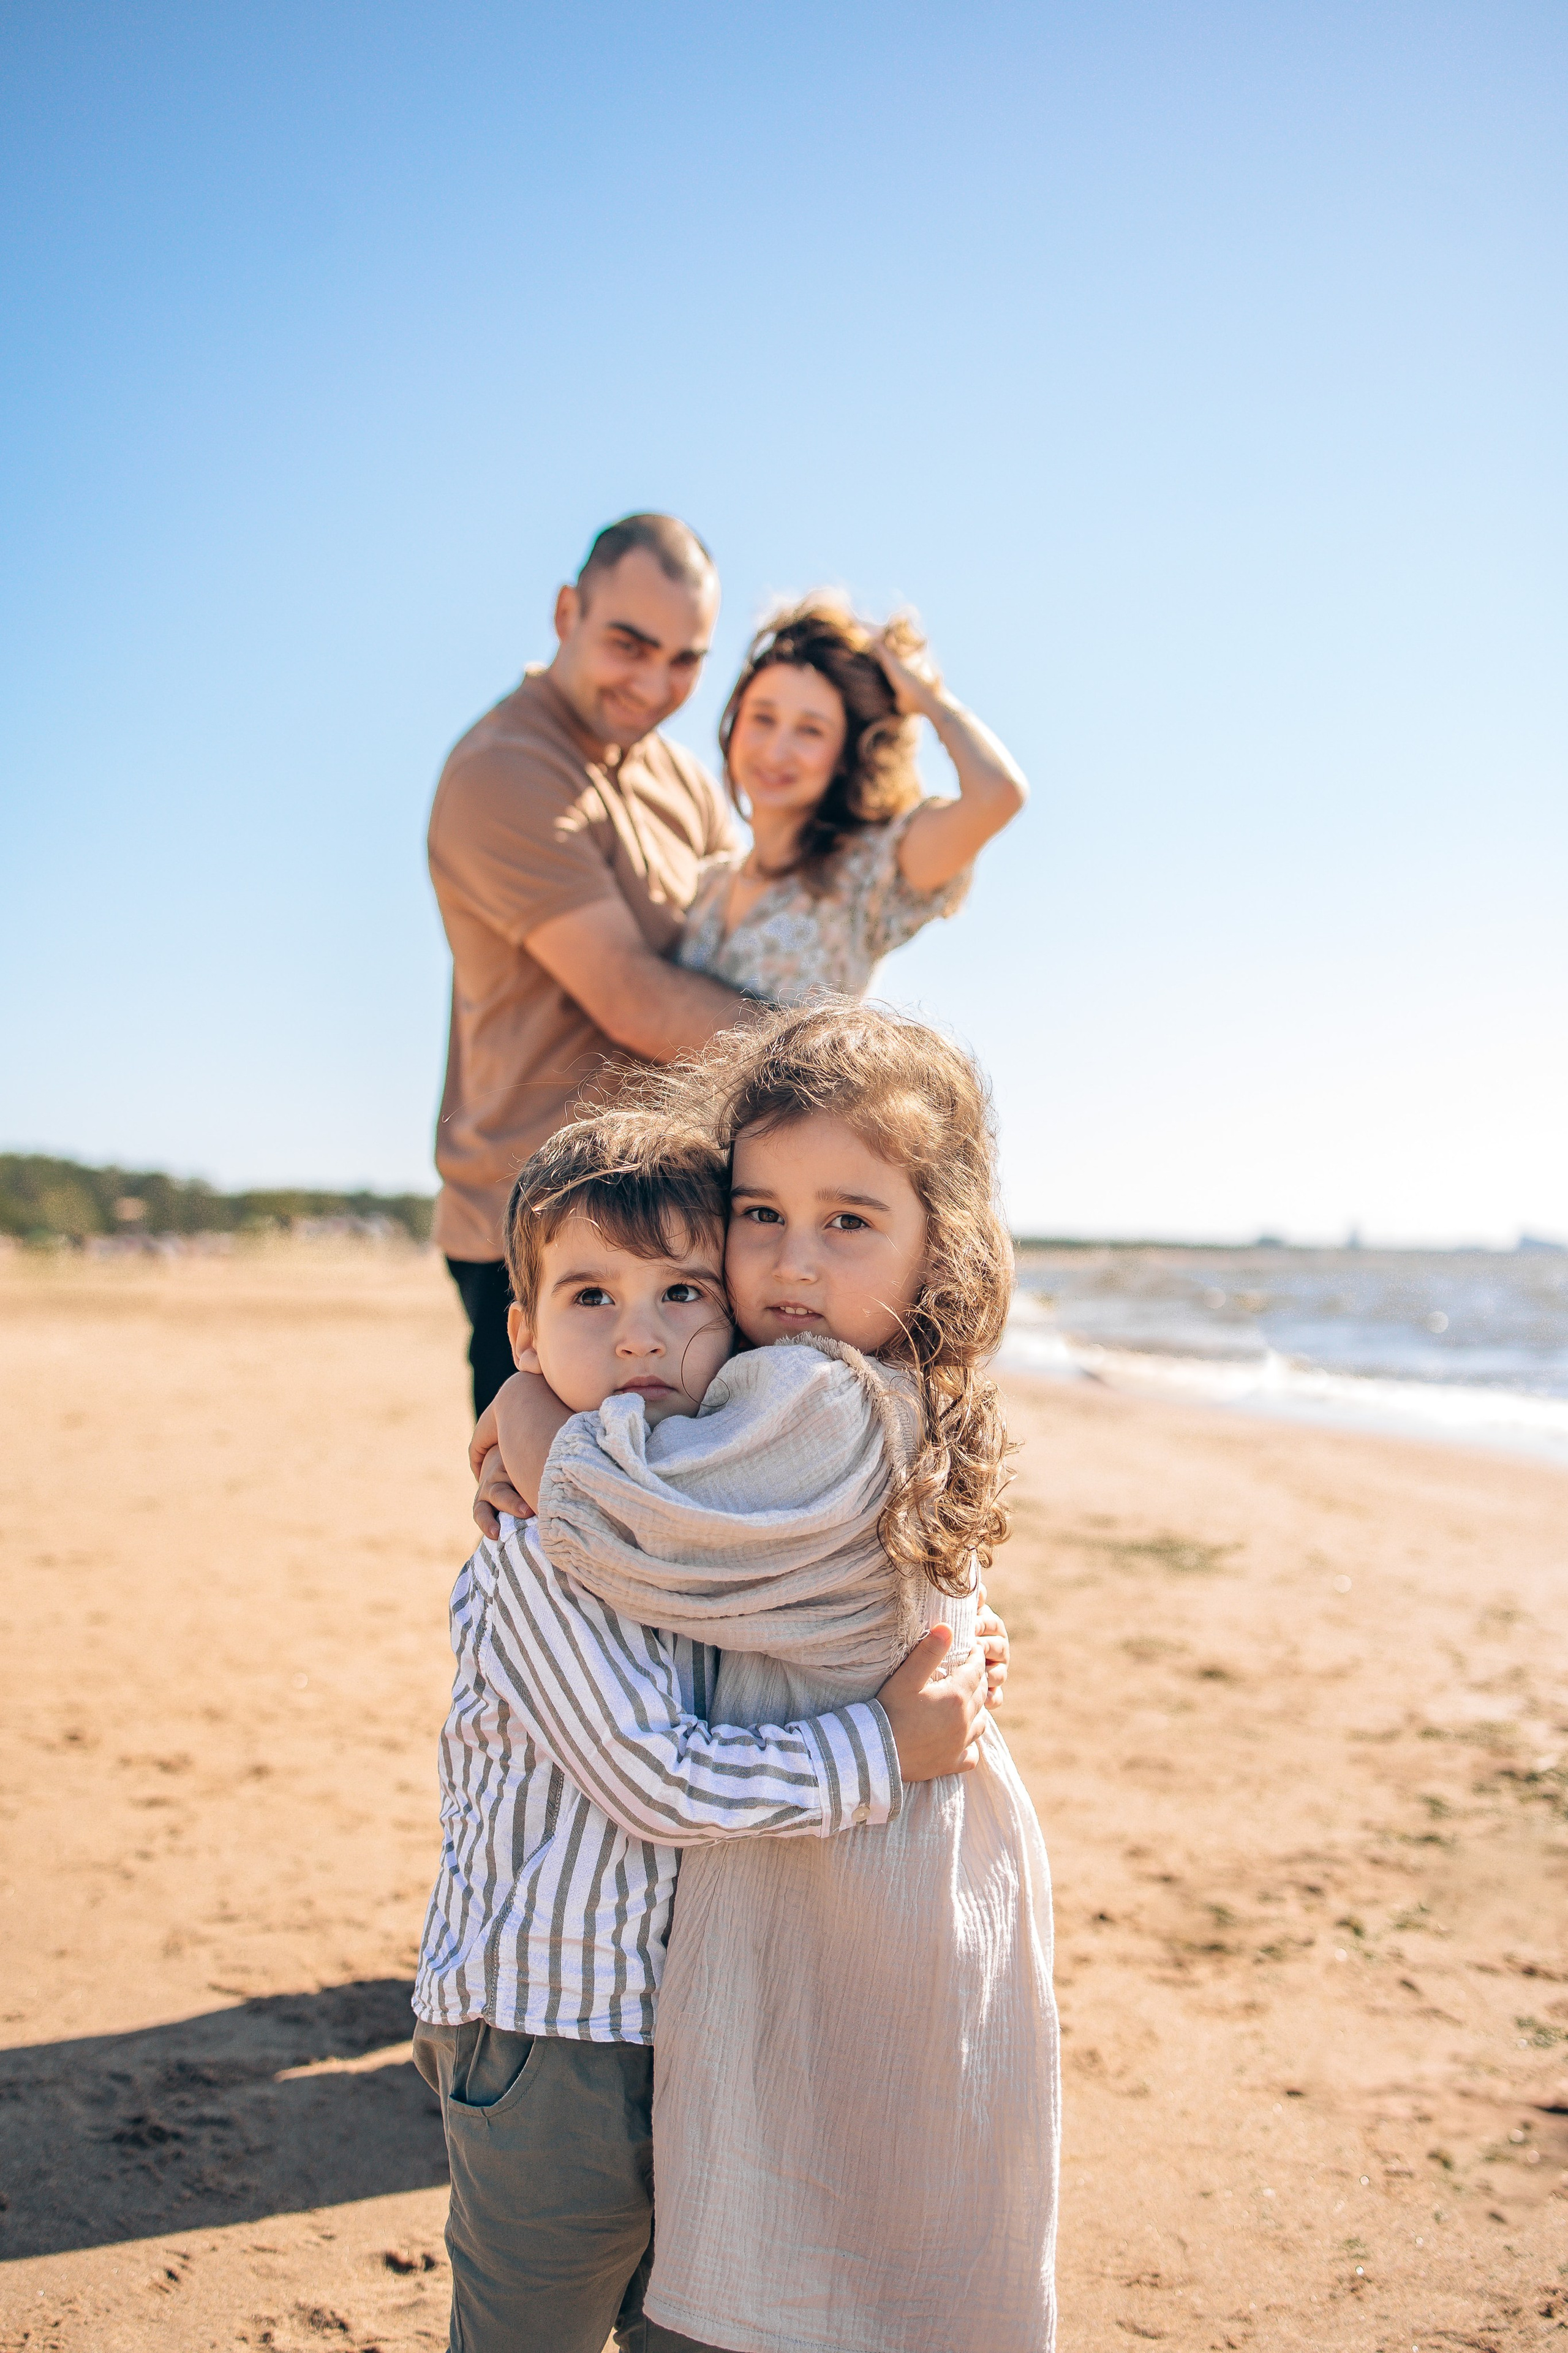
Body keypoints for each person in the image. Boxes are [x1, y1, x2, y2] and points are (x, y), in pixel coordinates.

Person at [483, 1000, 1060, 2353]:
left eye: (849, 1221)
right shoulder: (853, 1380)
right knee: (872, 2225)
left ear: (939, 1249)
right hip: (877, 1847)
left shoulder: (818, 1398)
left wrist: (527, 1414)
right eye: (756, 1214)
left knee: (809, 2230)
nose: (793, 1263)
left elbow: (631, 1512)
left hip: (857, 1872)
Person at [428, 512, 753, 1417]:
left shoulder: (681, 779)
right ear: (567, 611)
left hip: (670, 1221)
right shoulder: (506, 768)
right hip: (535, 1226)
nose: (654, 683)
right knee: (553, 1530)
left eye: (687, 660)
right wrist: (829, 1054)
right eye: (629, 644)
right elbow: (633, 997)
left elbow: (757, 926)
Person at [677, 595, 1028, 1002]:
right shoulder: (706, 885)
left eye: (811, 731)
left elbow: (997, 794)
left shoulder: (867, 875)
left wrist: (927, 697)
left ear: (845, 756)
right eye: (763, 718)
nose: (775, 751)